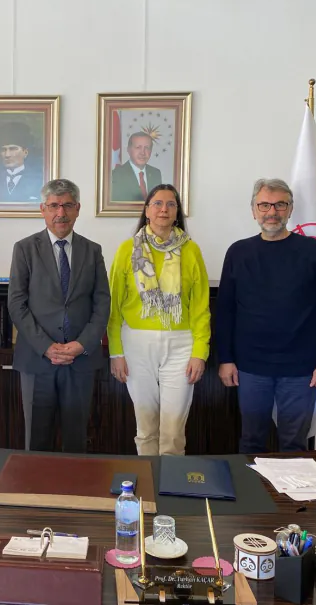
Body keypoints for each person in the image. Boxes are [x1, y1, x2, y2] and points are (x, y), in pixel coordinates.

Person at [216, 178, 316, 453]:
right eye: (264, 205)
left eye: (279, 205)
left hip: (301, 369)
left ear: (290, 209)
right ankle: (253, 496)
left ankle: (293, 498)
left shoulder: (313, 251)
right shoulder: (238, 252)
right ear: (253, 210)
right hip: (251, 367)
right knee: (251, 442)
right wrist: (225, 359)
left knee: (294, 444)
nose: (271, 211)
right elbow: (225, 310)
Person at [8, 178, 111, 453]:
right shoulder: (25, 249)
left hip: (80, 361)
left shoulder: (93, 250)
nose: (60, 213)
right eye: (54, 206)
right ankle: (35, 495)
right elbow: (17, 303)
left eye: (67, 205)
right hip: (37, 360)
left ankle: (73, 495)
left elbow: (102, 303)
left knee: (76, 441)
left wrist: (81, 344)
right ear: (43, 209)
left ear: (78, 208)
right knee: (37, 441)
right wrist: (47, 346)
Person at [107, 184, 210, 456]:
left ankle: (171, 491)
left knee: (173, 431)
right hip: (136, 346)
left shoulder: (191, 251)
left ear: (177, 213)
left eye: (171, 204)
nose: (164, 209)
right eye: (158, 203)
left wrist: (200, 352)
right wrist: (115, 352)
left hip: (181, 346)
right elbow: (114, 307)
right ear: (147, 210)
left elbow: (200, 308)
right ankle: (150, 489)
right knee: (146, 426)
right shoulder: (126, 250)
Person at [0, 121, 44, 203]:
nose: (7, 155)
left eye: (13, 149)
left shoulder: (39, 180)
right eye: (3, 150)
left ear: (25, 152)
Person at [111, 132, 163, 202]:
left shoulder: (155, 173)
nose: (143, 152)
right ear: (128, 150)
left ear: (151, 151)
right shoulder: (116, 175)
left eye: (147, 148)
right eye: (138, 147)